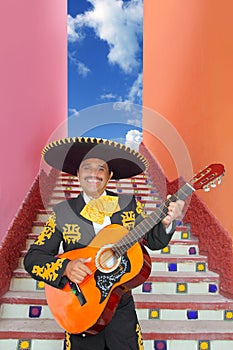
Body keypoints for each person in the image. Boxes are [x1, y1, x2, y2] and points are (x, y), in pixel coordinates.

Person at [24, 137, 184, 350]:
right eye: (87, 167)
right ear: (78, 174)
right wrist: (66, 267)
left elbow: (153, 241)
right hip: (80, 307)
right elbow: (33, 258)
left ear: (109, 176)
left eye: (101, 168)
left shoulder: (128, 205)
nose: (94, 173)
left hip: (121, 311)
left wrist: (167, 222)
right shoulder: (62, 213)